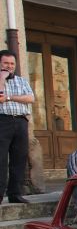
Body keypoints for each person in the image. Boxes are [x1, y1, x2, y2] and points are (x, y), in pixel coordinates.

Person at [0, 50, 35, 203]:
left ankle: (15, 193)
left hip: (21, 121)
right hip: (2, 121)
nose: (9, 66)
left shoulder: (21, 81)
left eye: (12, 63)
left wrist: (9, 97)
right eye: (6, 63)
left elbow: (30, 98)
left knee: (19, 159)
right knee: (1, 159)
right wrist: (1, 78)